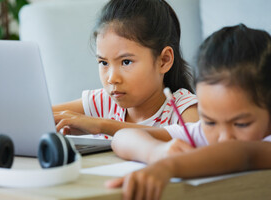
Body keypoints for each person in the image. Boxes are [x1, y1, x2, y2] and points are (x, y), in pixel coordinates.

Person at [106, 24, 271, 200]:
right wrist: (156, 152)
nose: (223, 138)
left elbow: (243, 154)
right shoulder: (203, 132)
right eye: (210, 121)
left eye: (241, 124)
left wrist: (169, 166)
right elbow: (123, 137)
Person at [53, 0, 199, 137]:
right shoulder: (105, 102)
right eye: (103, 62)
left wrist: (101, 126)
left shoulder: (183, 108)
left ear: (164, 60)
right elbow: (41, 117)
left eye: (126, 62)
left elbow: (191, 138)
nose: (112, 79)